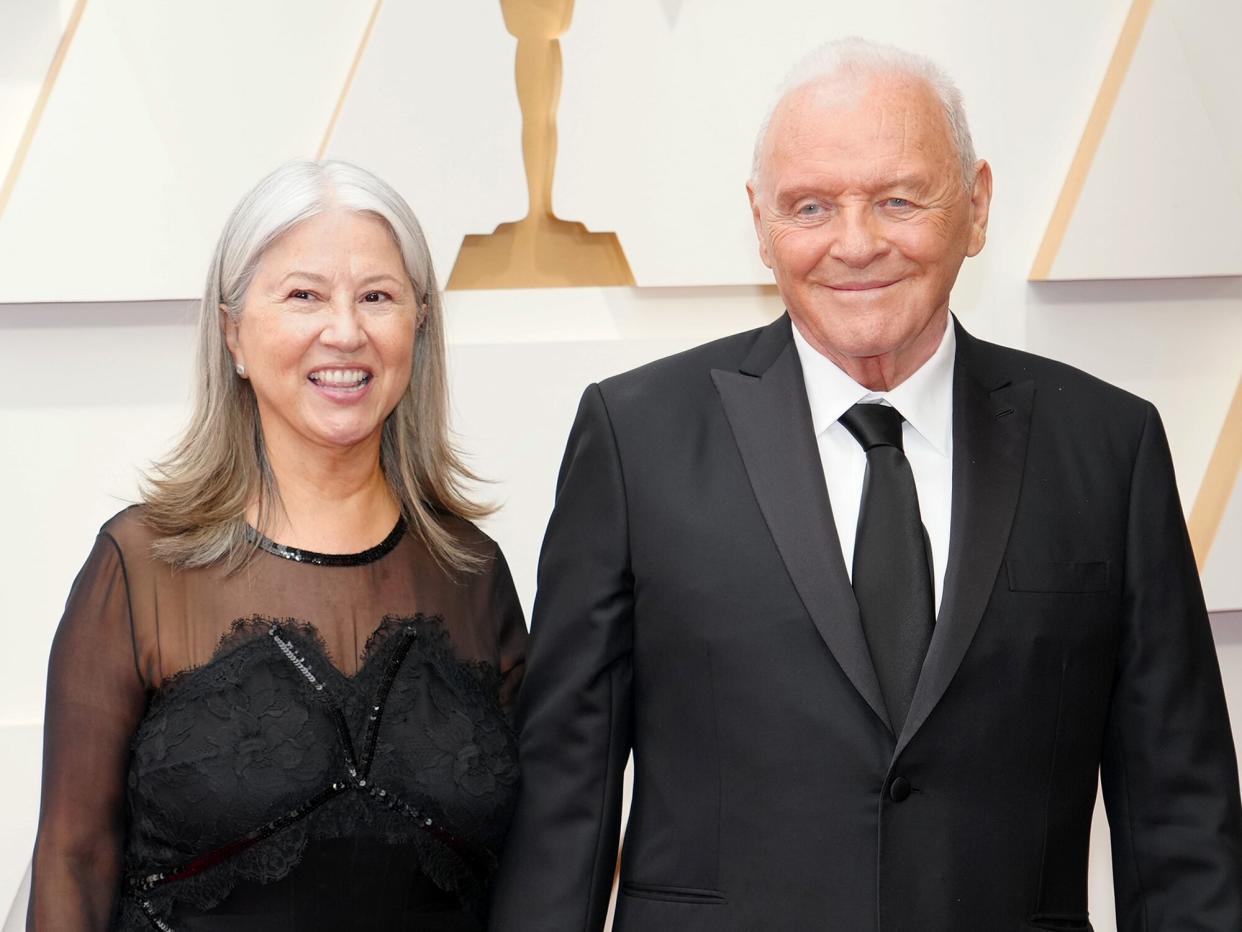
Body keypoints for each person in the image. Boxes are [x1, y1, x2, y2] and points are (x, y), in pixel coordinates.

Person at [490, 38, 1242, 931]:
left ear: (977, 203)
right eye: (811, 206)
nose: (856, 243)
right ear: (761, 224)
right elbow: (563, 805)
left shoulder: (1107, 449)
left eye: (897, 199)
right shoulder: (635, 438)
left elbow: (1181, 820)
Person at [28, 160, 527, 930]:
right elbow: (73, 858)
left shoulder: (471, 571)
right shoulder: (143, 567)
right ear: (232, 332)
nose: (346, 331)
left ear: (419, 325)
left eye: (378, 296)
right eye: (304, 295)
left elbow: (523, 860)